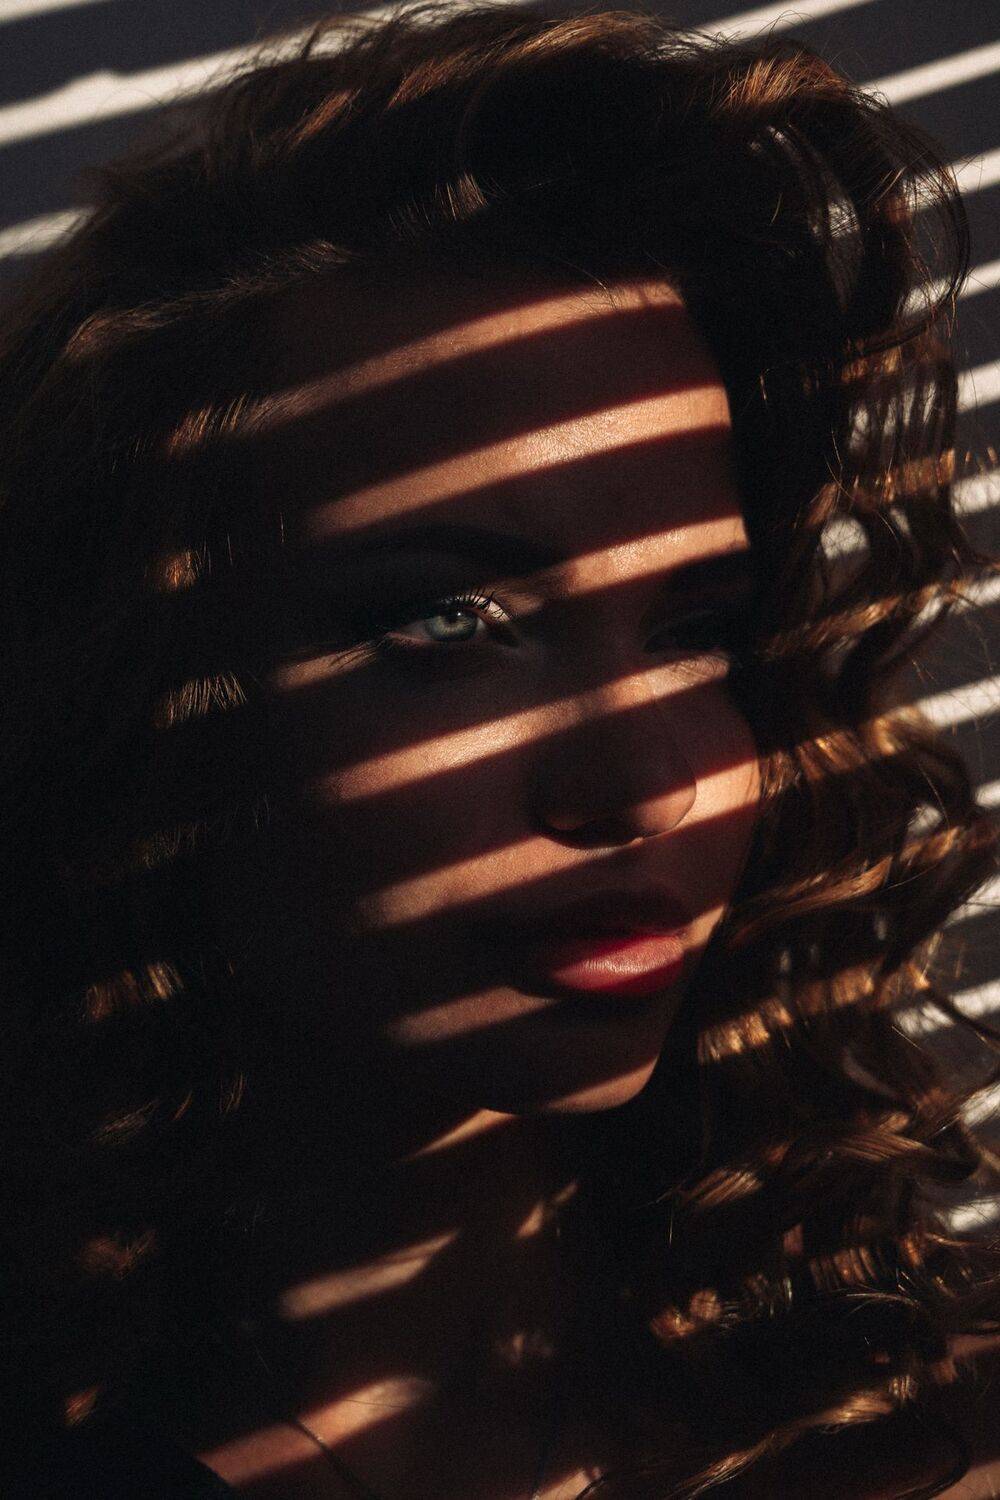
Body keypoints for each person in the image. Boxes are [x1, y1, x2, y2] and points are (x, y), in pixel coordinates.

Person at [1, 5, 998, 1496]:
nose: (646, 786)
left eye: (697, 630)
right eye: (451, 624)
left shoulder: (915, 1426)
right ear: (143, 696)